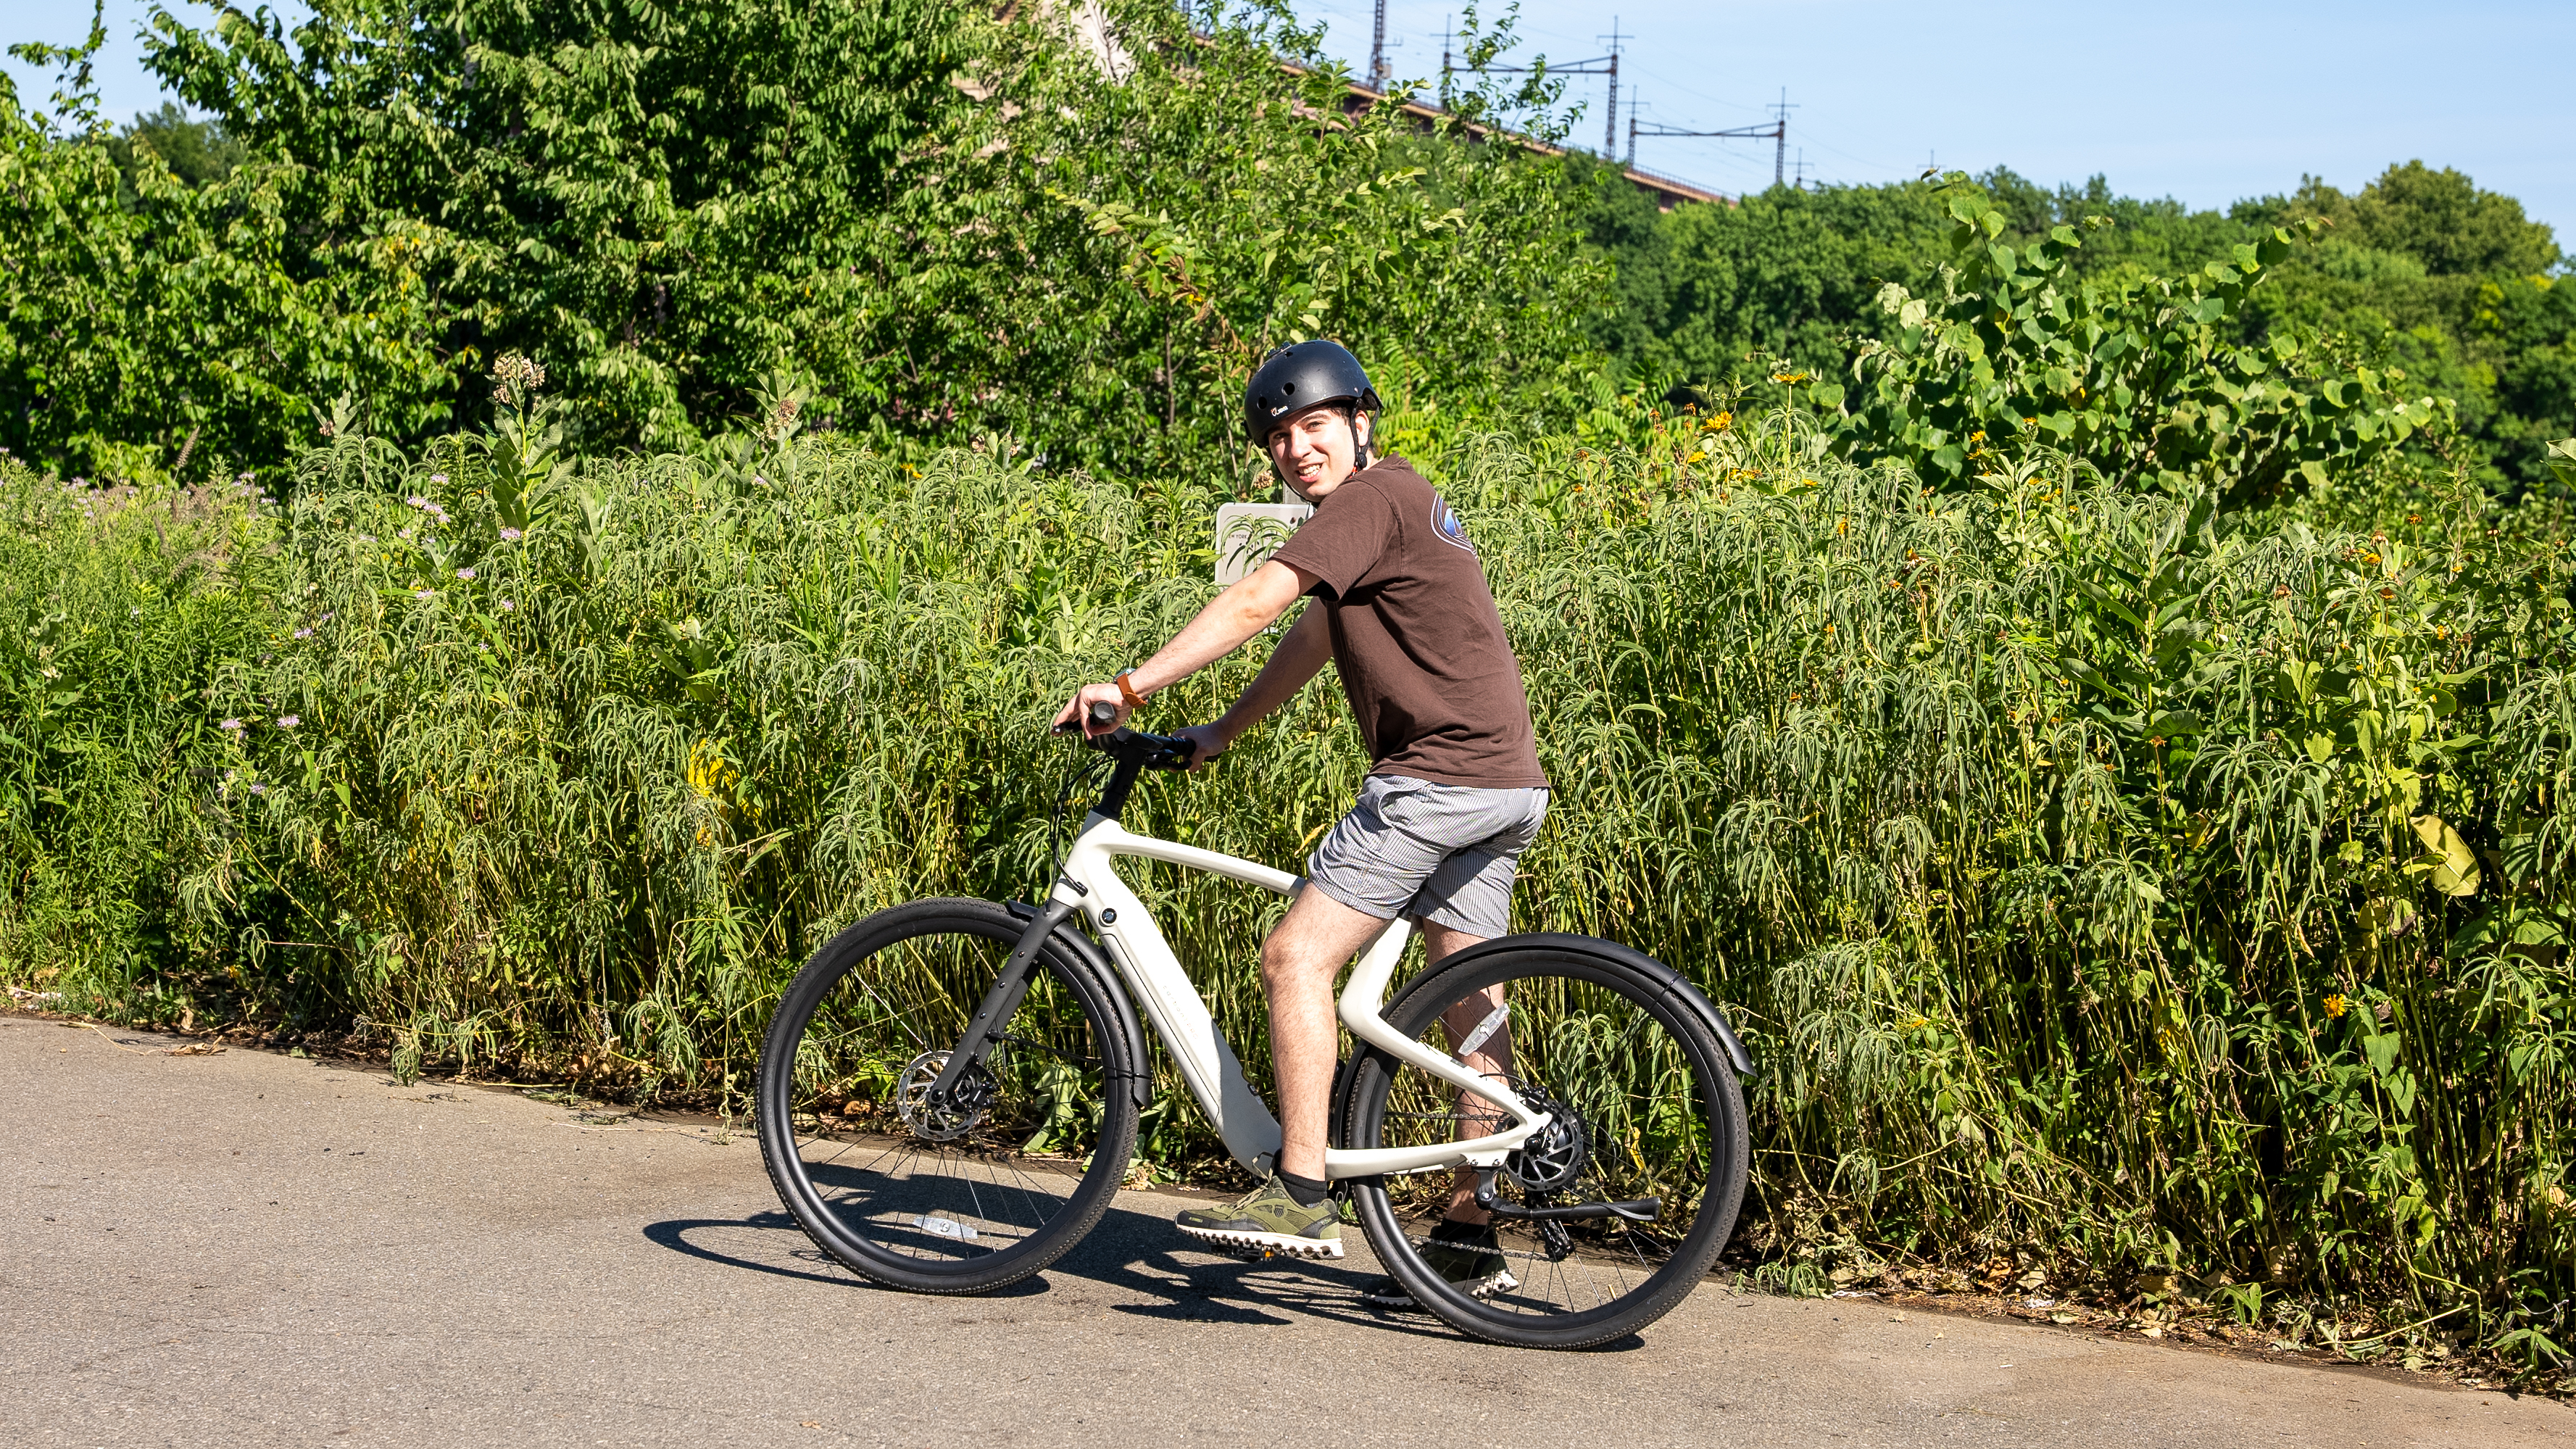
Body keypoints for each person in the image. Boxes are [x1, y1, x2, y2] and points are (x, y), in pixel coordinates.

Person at [1052, 340, 1549, 1307]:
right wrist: (1223, 731)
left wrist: (1127, 686)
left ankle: (1301, 1192)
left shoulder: (1368, 501)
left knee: (1294, 960)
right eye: (1279, 437)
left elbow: (1254, 600)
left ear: (1358, 423)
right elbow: (1314, 632)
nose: (1296, 448)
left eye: (1313, 425)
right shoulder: (1395, 502)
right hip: (1502, 781)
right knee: (1463, 994)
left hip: (1435, 780)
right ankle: (1470, 1225)